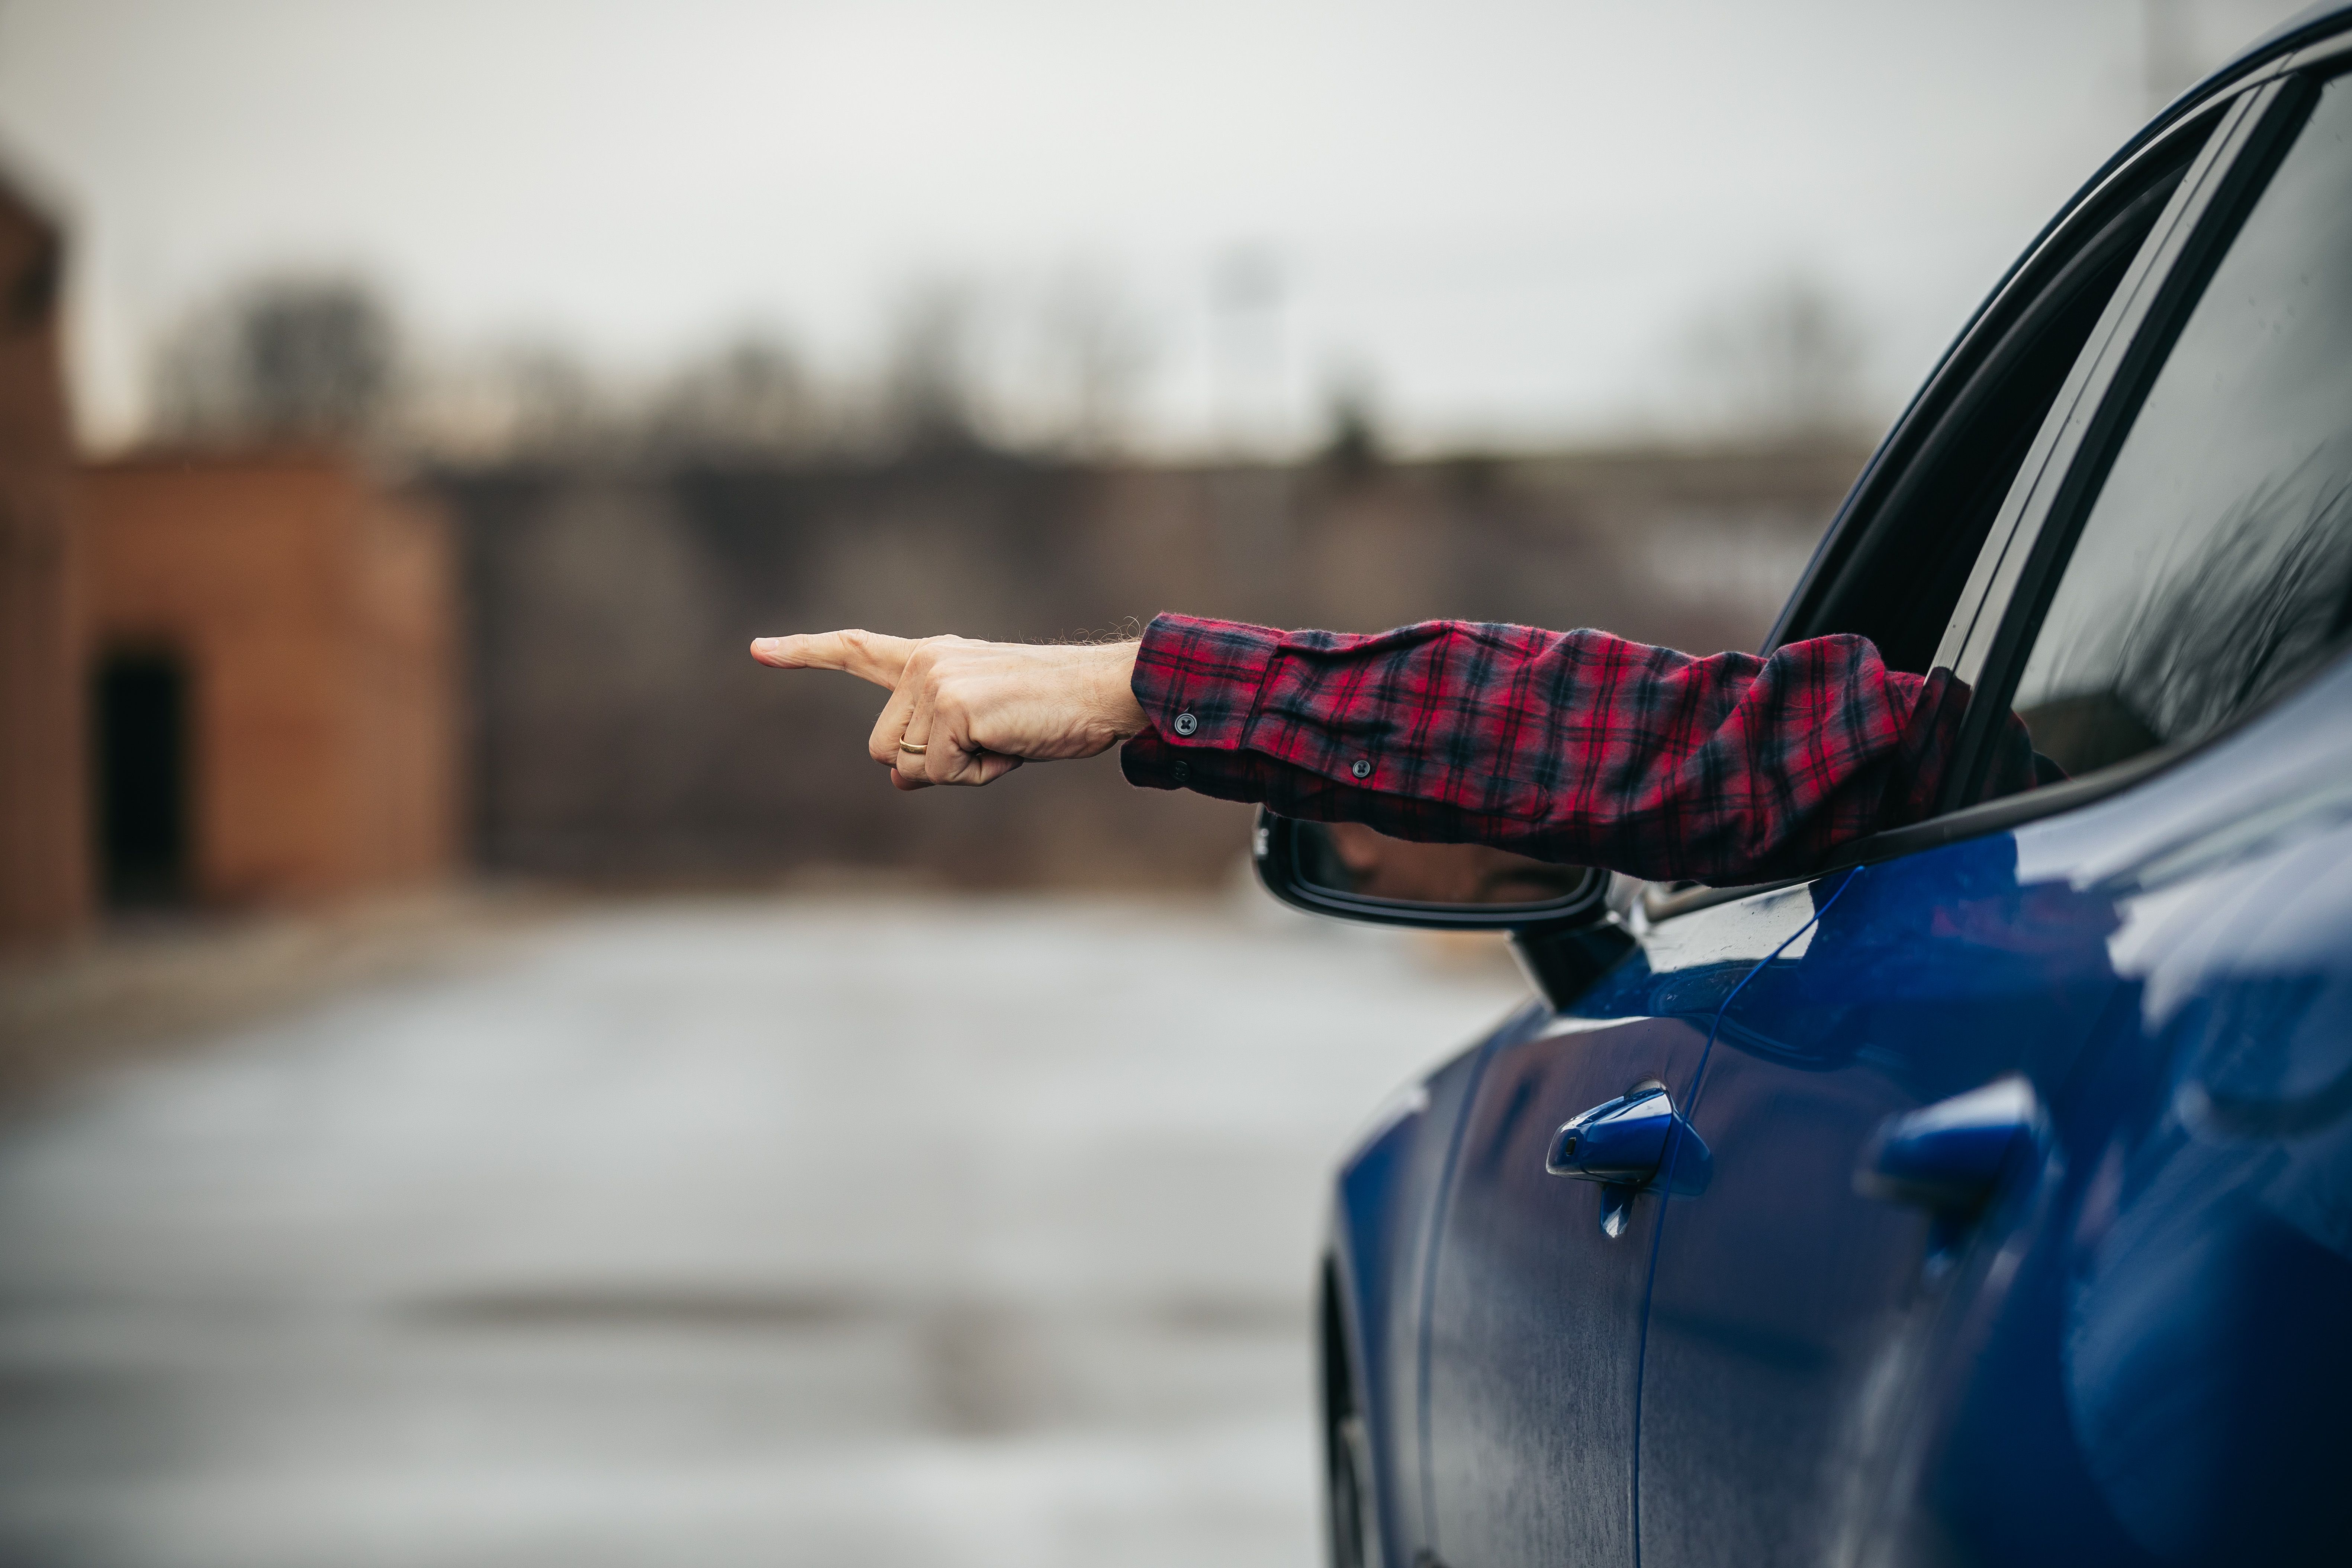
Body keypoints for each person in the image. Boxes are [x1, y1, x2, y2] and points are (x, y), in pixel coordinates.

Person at [749, 612, 2034, 886]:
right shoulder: (2019, 778)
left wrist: (1132, 683)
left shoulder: (1966, 775)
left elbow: (1697, 754)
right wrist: (1143, 684)